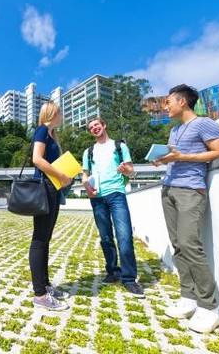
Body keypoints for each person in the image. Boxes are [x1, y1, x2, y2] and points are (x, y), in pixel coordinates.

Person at [153, 84, 219, 333]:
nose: (166, 106)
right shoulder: (175, 131)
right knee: (178, 246)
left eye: (168, 102)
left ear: (182, 101)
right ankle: (188, 297)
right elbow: (176, 156)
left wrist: (183, 157)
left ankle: (209, 306)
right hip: (169, 189)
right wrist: (162, 159)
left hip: (190, 190)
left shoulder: (204, 124)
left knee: (189, 244)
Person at [82, 118, 145, 298]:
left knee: (124, 235)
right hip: (97, 197)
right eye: (91, 127)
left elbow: (131, 171)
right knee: (106, 237)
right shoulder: (89, 151)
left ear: (104, 126)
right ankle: (112, 271)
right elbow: (85, 175)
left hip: (117, 194)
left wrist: (126, 170)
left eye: (97, 125)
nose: (94, 128)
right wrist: (87, 187)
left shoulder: (119, 146)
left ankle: (129, 279)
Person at [29, 101, 73, 311]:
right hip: (45, 188)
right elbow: (37, 159)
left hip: (52, 190)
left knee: (45, 239)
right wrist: (62, 175)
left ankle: (45, 285)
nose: (62, 115)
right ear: (53, 113)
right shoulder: (42, 130)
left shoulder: (52, 135)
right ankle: (40, 295)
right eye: (60, 112)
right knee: (39, 240)